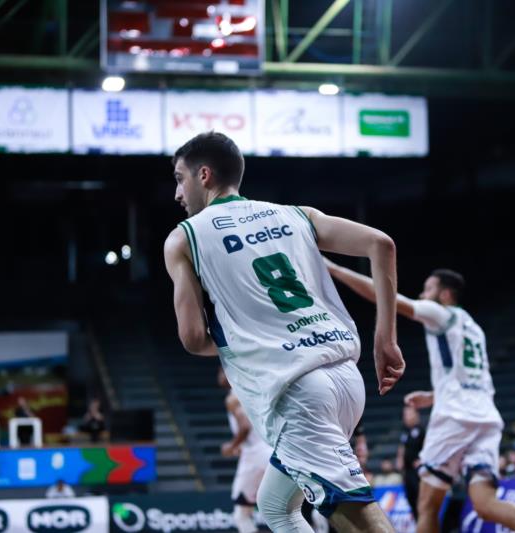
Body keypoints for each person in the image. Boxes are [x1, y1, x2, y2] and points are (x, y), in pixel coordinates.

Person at [164, 132, 405, 533]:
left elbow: (192, 338)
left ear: (203, 175)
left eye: (179, 178)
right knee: (275, 505)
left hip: (297, 391)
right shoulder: (298, 214)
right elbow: (381, 244)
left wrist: (247, 344)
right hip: (346, 376)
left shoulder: (184, 238)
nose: (177, 192)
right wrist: (386, 338)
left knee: (356, 518)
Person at [323, 262, 515, 533]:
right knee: (485, 502)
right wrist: (434, 396)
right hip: (485, 416)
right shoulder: (474, 328)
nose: (423, 296)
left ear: (445, 295)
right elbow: (473, 379)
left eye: (428, 290)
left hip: (455, 417)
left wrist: (334, 269)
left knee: (427, 504)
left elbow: (387, 296)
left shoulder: (442, 314)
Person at [219, 367, 273, 533]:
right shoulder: (256, 392)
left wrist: (232, 446)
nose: (220, 375)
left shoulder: (233, 398)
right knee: (288, 510)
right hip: (272, 451)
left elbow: (244, 427)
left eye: (223, 370)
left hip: (256, 456)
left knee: (241, 513)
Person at [395, 405, 424, 522]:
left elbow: (428, 446)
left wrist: (423, 460)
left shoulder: (422, 430)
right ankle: (419, 525)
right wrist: (399, 459)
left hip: (418, 473)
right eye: (404, 414)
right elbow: (402, 448)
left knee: (420, 502)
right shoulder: (405, 433)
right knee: (411, 500)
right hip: (407, 473)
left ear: (416, 414)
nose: (405, 417)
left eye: (408, 414)